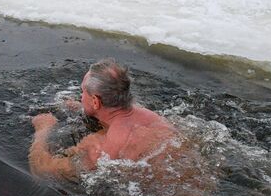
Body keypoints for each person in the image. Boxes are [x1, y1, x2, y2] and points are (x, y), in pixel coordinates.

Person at [29, 58, 175, 181]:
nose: (81, 97)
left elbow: (42, 168)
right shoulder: (152, 117)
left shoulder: (101, 147)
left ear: (95, 101)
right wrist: (83, 107)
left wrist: (43, 129)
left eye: (83, 92)